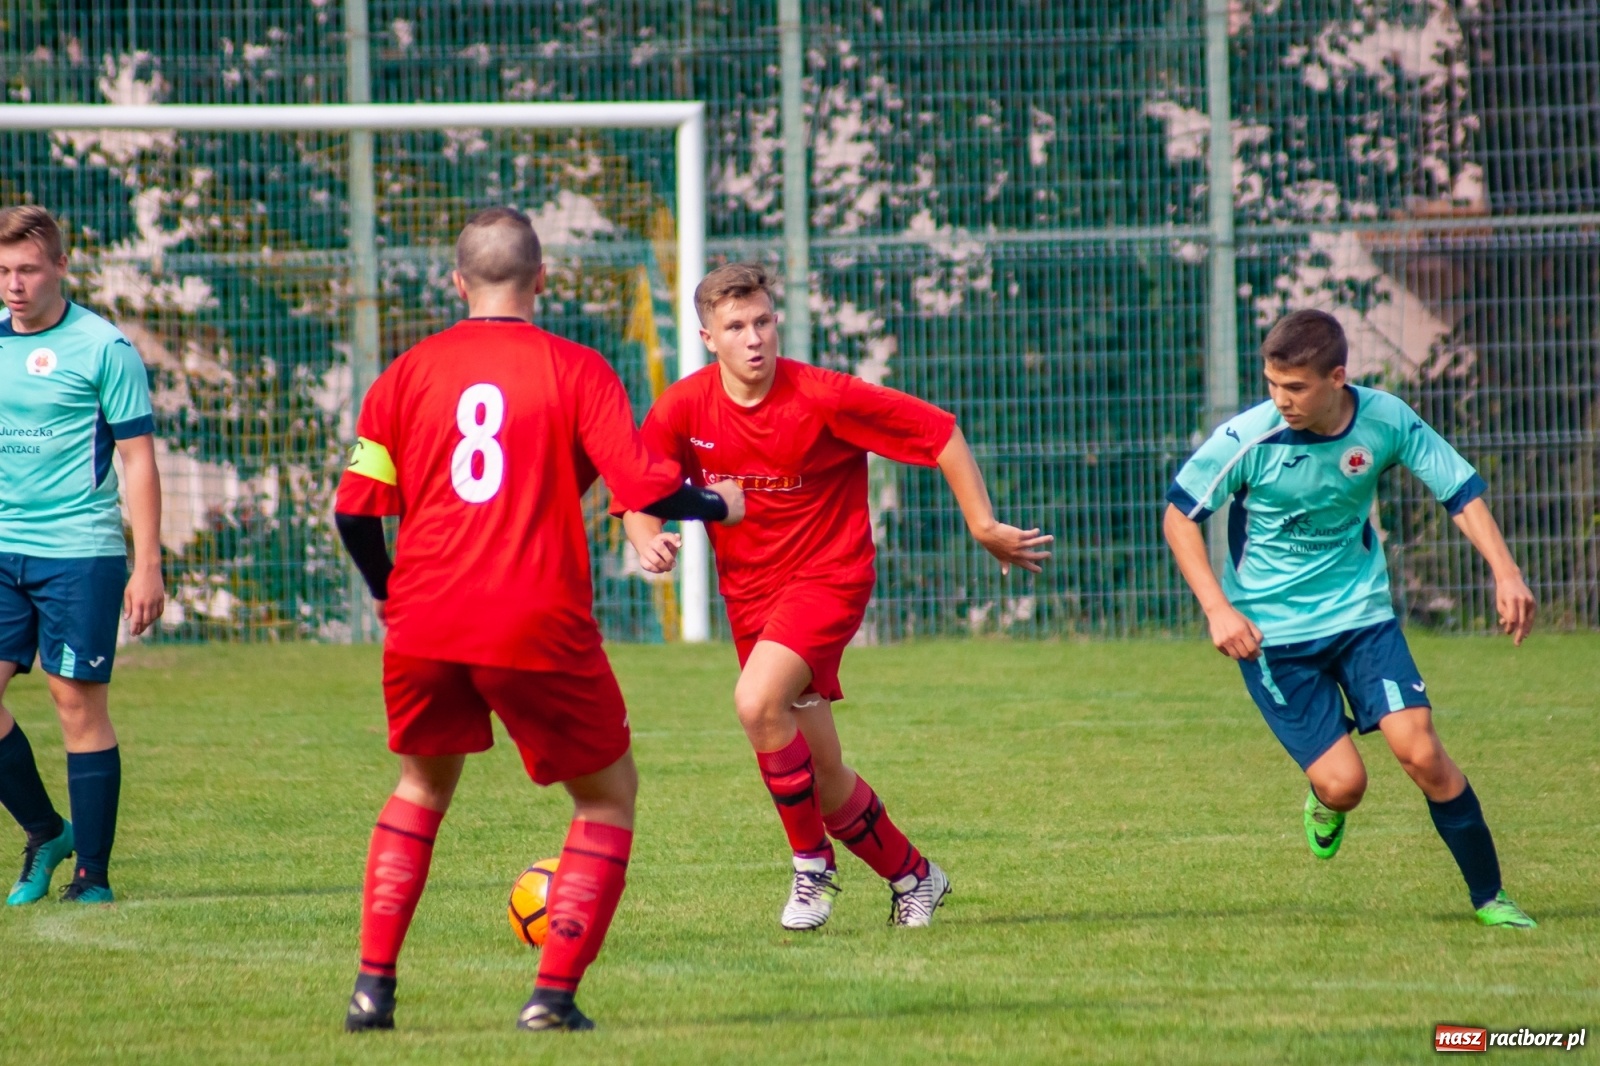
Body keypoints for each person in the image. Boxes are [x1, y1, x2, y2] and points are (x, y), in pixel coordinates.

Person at [334, 207, 743, 1033]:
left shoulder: (406, 373)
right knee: (606, 799)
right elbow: (645, 486)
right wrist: (715, 502)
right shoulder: (577, 369)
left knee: (420, 788)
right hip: (534, 619)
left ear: (458, 284)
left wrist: (389, 590)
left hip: (425, 621)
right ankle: (551, 999)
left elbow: (352, 511)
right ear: (542, 278)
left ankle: (372, 990)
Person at [618, 262, 1051, 931]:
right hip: (752, 599)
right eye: (736, 326)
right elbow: (639, 491)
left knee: (754, 701)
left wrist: (982, 524)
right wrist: (648, 539)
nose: (755, 337)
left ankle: (811, 869)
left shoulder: (821, 395)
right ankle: (916, 877)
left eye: (763, 320)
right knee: (823, 774)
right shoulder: (683, 407)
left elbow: (938, 431)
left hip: (830, 577)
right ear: (708, 337)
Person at [1163, 308, 1537, 929]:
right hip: (1272, 640)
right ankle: (1324, 798)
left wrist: (1507, 572)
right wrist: (1217, 609)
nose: (1280, 399)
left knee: (1420, 751)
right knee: (1345, 785)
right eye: (1272, 384)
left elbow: (1458, 490)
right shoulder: (1249, 439)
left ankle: (1491, 897)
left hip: (1362, 619)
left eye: (1296, 387)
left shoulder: (1384, 419)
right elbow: (1180, 515)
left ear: (1338, 377)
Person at [0, 205, 164, 906]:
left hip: (80, 553)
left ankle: (91, 872)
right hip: (3, 548)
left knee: (75, 705)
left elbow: (138, 460)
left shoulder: (104, 348)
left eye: (28, 269)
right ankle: (46, 828)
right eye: (4, 270)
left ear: (60, 267)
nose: (14, 284)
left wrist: (148, 564)